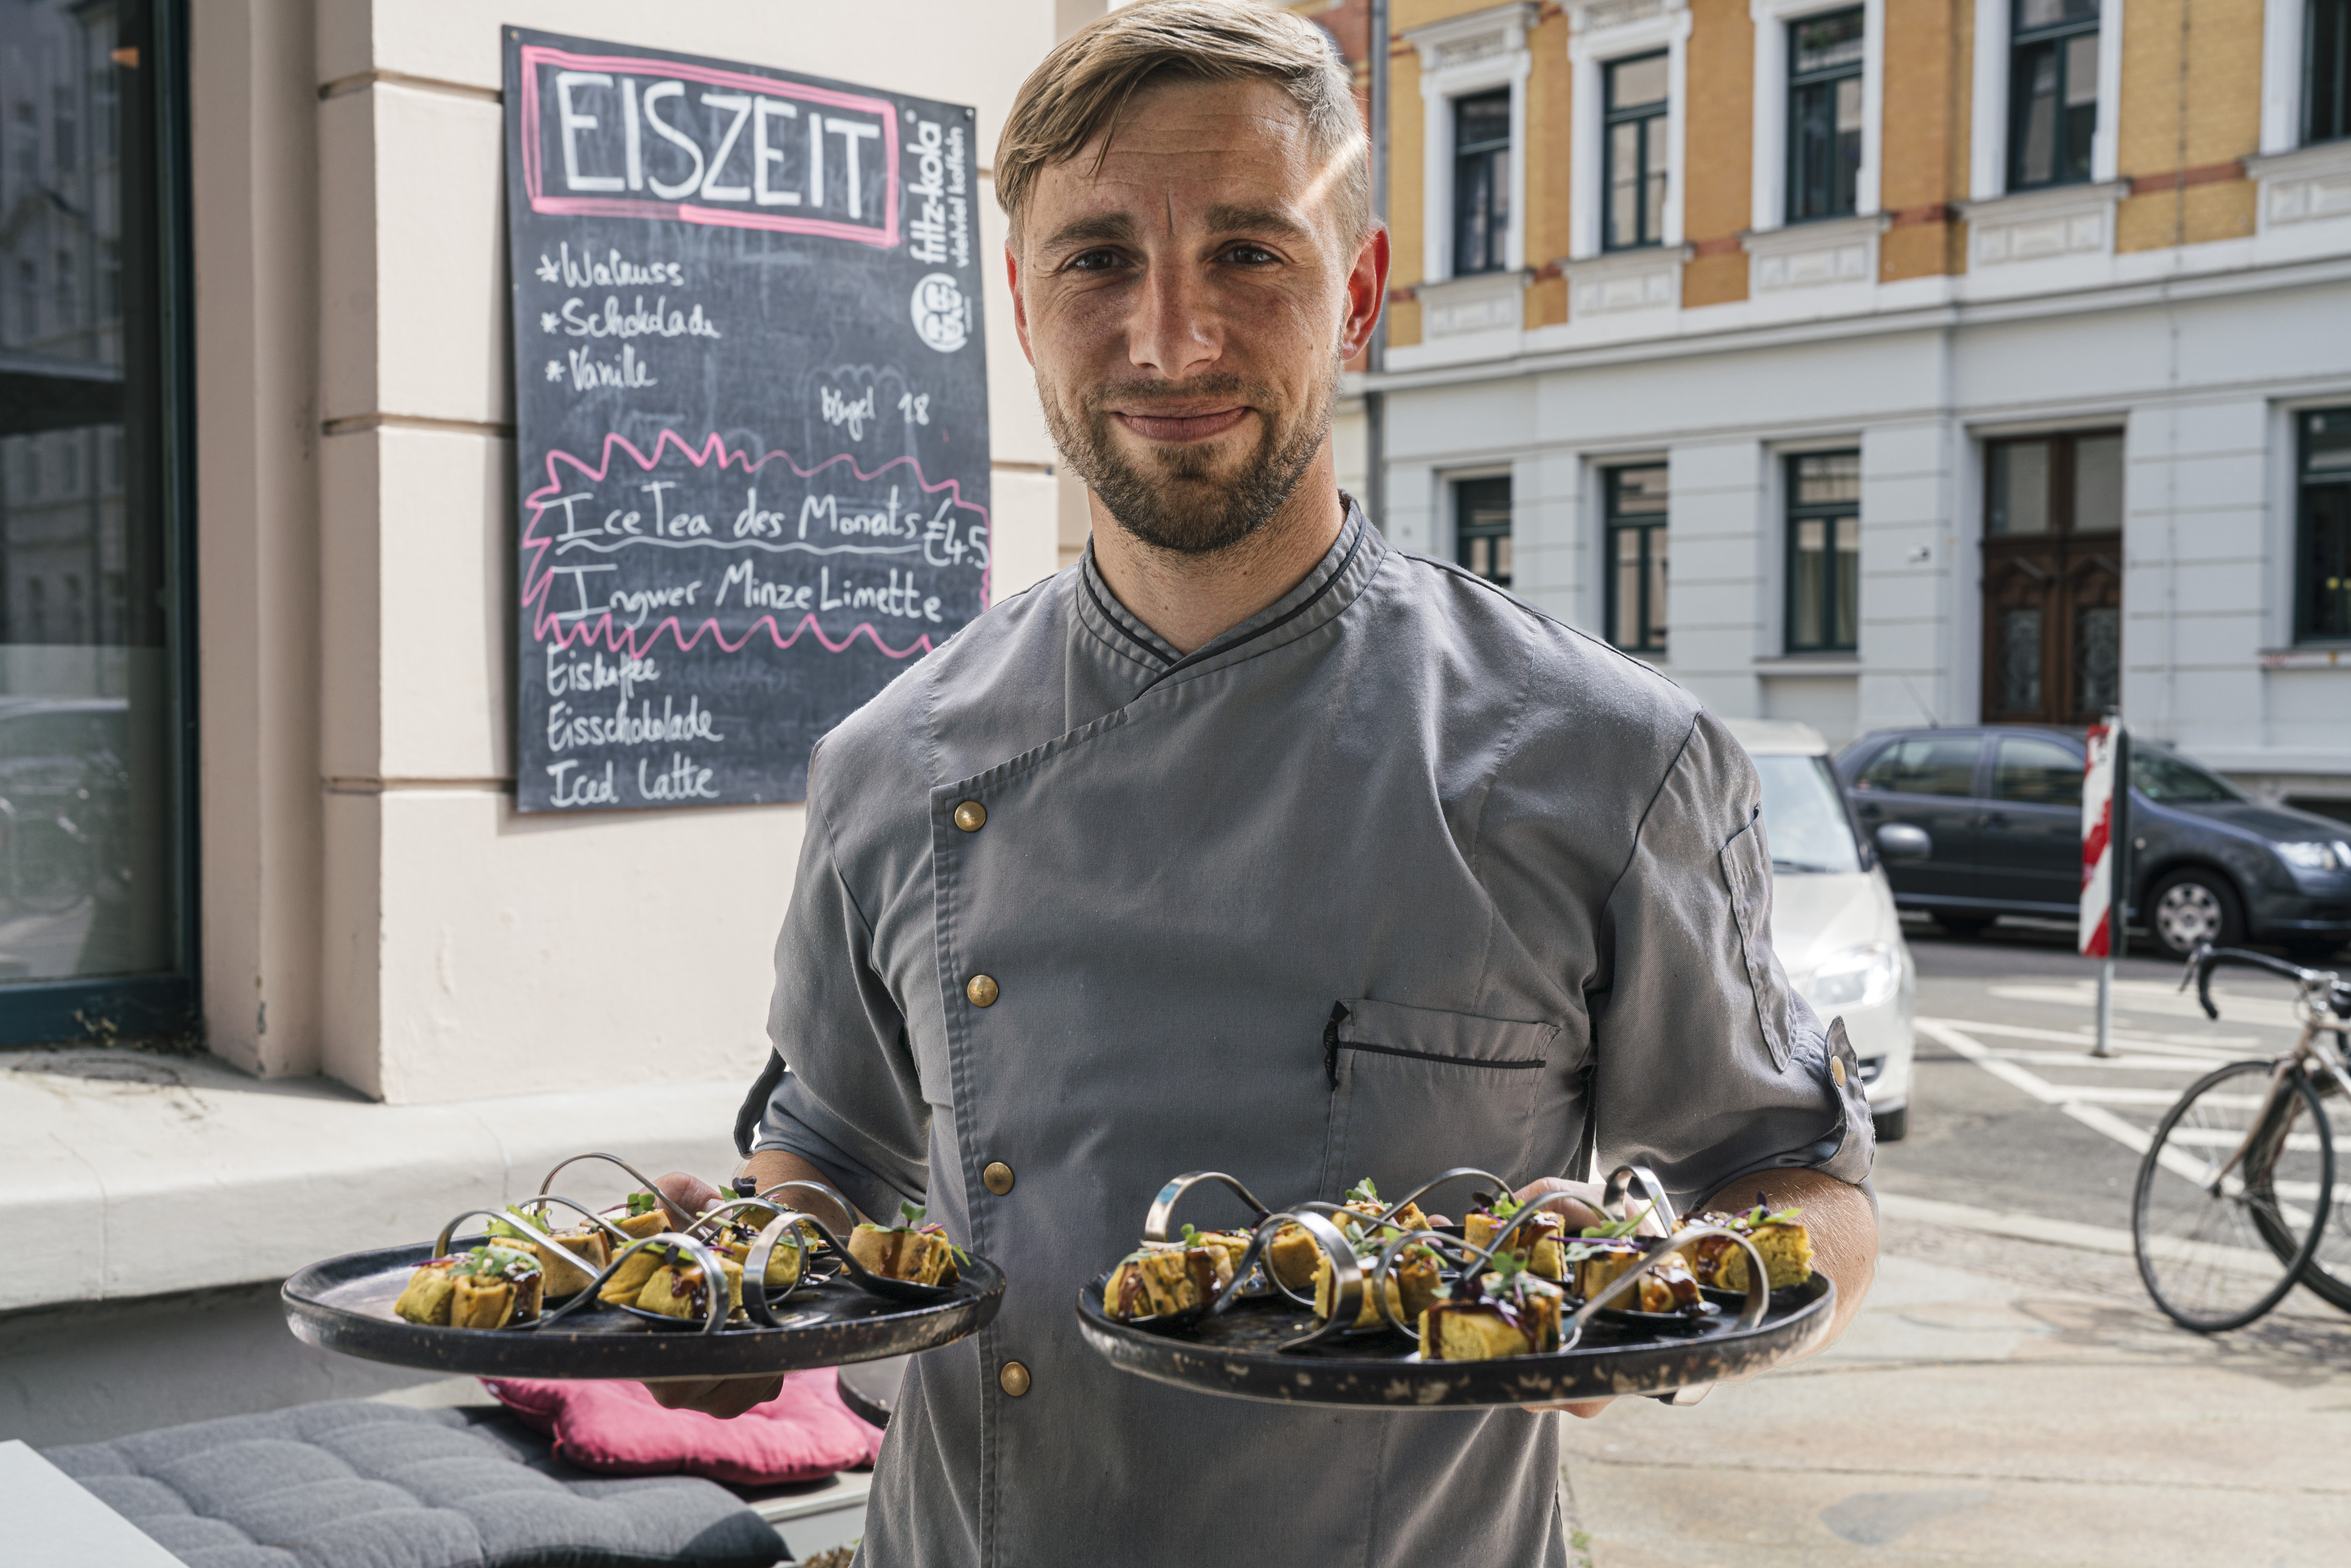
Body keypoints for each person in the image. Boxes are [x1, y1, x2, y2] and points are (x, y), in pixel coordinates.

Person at [652, 3, 1878, 1563]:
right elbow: (829, 1149)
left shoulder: (1610, 756)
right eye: (1098, 259)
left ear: (1355, 294)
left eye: (1247, 251)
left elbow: (1798, 1179)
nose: (1171, 339)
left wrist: (1663, 1295)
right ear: (1020, 305)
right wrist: (737, 1292)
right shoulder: (890, 762)